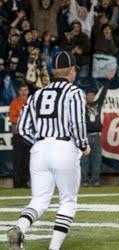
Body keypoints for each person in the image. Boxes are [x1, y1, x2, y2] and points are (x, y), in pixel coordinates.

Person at [7, 51, 90, 250]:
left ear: (54, 72)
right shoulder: (74, 92)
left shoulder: (37, 94)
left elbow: (23, 128)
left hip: (39, 150)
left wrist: (39, 143)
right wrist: (82, 144)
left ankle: (20, 227)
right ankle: (53, 248)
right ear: (71, 71)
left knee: (39, 200)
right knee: (68, 201)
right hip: (65, 147)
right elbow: (77, 123)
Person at [81, 77, 113, 187]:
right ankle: (84, 181)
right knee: (84, 160)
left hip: (96, 136)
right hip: (86, 136)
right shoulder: (82, 106)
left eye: (92, 95)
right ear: (85, 96)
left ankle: (95, 181)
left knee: (96, 160)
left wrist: (108, 81)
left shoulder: (98, 104)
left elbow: (103, 93)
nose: (90, 96)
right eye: (88, 95)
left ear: (94, 96)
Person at [9, 84, 30, 188]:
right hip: (18, 134)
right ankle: (17, 183)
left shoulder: (31, 101)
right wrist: (25, 120)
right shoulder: (15, 102)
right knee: (18, 160)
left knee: (27, 160)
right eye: (22, 90)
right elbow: (13, 118)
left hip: (28, 134)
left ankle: (25, 181)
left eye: (25, 90)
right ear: (19, 91)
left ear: (28, 91)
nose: (24, 92)